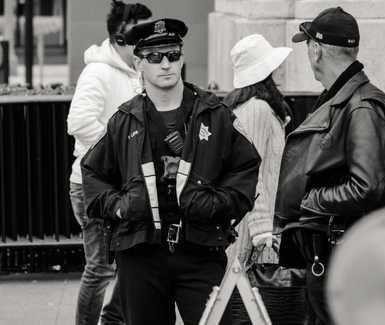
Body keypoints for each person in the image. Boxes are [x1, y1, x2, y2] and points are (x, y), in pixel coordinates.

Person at [82, 18, 261, 325]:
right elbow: (93, 175)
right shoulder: (123, 121)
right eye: (154, 57)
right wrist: (121, 207)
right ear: (138, 62)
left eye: (173, 54)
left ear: (182, 58)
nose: (165, 63)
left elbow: (245, 168)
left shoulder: (214, 114)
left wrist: (215, 205)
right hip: (140, 253)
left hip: (201, 250)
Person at [275, 7, 385, 325]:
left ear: (316, 50)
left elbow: (366, 185)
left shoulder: (361, 106)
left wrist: (309, 201)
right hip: (331, 252)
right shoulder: (342, 98)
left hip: (342, 255)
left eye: (308, 47)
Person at [67, 2, 152, 324]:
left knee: (132, 262)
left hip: (123, 185)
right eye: (140, 36)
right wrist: (121, 148)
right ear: (120, 38)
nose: (148, 43)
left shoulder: (138, 72)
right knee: (101, 268)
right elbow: (78, 122)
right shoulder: (98, 72)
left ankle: (112, 320)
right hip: (95, 187)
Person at [223, 34, 292, 266]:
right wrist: (262, 230)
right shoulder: (256, 110)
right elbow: (251, 172)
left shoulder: (249, 106)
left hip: (254, 226)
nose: (280, 71)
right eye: (274, 66)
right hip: (252, 231)